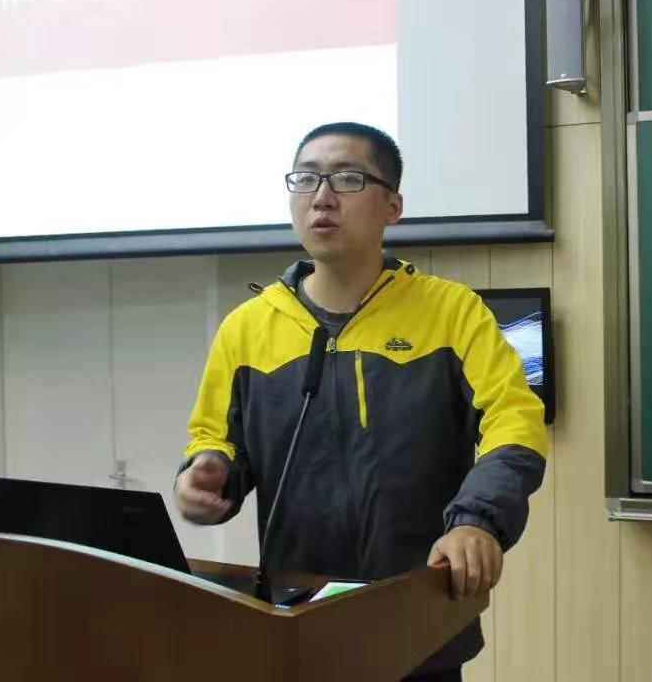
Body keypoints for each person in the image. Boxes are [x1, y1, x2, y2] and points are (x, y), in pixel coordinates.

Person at [173, 122, 548, 681]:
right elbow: (216, 440)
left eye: (347, 178)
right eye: (306, 178)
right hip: (296, 620)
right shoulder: (247, 328)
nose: (322, 197)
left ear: (393, 206)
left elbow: (514, 422)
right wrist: (209, 475)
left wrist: (478, 522)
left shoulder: (452, 312)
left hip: (417, 614)